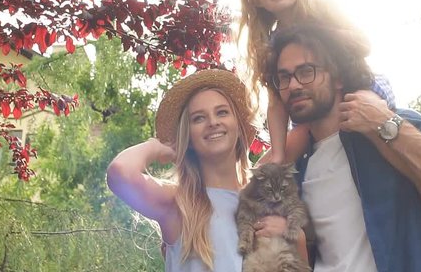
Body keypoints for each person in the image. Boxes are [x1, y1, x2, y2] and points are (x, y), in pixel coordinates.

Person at [236, 0, 421, 220]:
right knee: (283, 160)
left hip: (357, 86)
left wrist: (320, 33)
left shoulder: (321, 9)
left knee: (375, 134)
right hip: (312, 108)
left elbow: (364, 44)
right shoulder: (271, 44)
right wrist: (277, 152)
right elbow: (277, 103)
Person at [265, 24, 421, 271]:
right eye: (284, 77)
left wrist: (385, 125)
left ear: (338, 76)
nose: (293, 85)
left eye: (306, 71)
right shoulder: (296, 168)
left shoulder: (390, 126)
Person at [106, 69, 308, 271]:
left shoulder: (258, 194)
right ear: (189, 137)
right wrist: (158, 147)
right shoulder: (180, 203)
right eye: (198, 118)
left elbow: (306, 129)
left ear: (239, 126)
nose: (213, 122)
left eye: (222, 112)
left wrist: (296, 237)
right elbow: (120, 173)